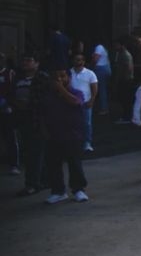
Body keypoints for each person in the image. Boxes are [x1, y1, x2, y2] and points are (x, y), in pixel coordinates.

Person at [44, 68, 89, 204]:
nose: (60, 80)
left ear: (69, 77)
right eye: (57, 78)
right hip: (54, 135)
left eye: (63, 76)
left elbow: (75, 102)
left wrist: (61, 89)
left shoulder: (77, 92)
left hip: (73, 135)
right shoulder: (49, 96)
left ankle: (78, 189)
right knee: (54, 164)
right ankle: (58, 191)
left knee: (74, 163)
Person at [11, 53, 48, 196]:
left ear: (37, 63)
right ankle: (40, 180)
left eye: (29, 60)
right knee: (30, 152)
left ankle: (34, 183)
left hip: (37, 120)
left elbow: (43, 99)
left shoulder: (41, 78)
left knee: (36, 153)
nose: (26, 63)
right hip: (22, 120)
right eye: (24, 60)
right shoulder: (18, 79)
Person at [70, 53, 98, 152]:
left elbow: (94, 88)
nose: (78, 62)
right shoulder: (69, 73)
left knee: (87, 123)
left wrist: (92, 100)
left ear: (83, 61)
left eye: (80, 60)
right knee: (72, 123)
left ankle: (87, 142)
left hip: (86, 102)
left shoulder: (90, 73)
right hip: (72, 102)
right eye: (76, 59)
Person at [0, 53, 20, 175]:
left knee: (11, 138)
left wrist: (8, 103)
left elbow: (14, 90)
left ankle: (14, 165)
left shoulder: (10, 73)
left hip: (7, 110)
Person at [113, 40, 135, 124]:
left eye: (117, 45)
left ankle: (127, 117)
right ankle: (126, 115)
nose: (116, 47)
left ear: (122, 45)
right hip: (123, 79)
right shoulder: (120, 54)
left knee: (126, 99)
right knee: (123, 99)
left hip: (126, 80)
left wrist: (123, 77)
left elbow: (128, 68)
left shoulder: (126, 55)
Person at [91, 42, 111, 115]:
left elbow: (95, 59)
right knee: (102, 89)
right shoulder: (103, 48)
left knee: (101, 89)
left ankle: (104, 108)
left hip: (100, 69)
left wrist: (91, 66)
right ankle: (103, 107)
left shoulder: (99, 47)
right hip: (104, 68)